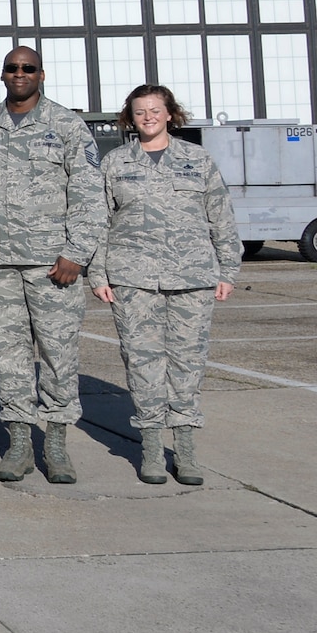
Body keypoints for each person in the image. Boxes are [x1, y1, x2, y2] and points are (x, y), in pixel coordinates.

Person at [0, 46, 104, 484]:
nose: (19, 74)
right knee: (10, 358)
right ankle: (19, 443)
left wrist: (76, 253)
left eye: (28, 68)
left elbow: (89, 194)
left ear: (41, 74)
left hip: (53, 267)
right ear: (2, 75)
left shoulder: (67, 126)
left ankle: (55, 444)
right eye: (12, 68)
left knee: (58, 356)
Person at [89, 85, 241, 486]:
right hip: (133, 279)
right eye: (140, 112)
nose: (148, 117)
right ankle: (153, 448)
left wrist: (228, 270)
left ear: (170, 113)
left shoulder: (197, 159)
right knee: (142, 363)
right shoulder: (115, 163)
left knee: (188, 363)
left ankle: (185, 449)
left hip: (192, 278)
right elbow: (100, 222)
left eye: (155, 110)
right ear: (130, 118)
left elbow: (221, 217)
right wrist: (98, 274)